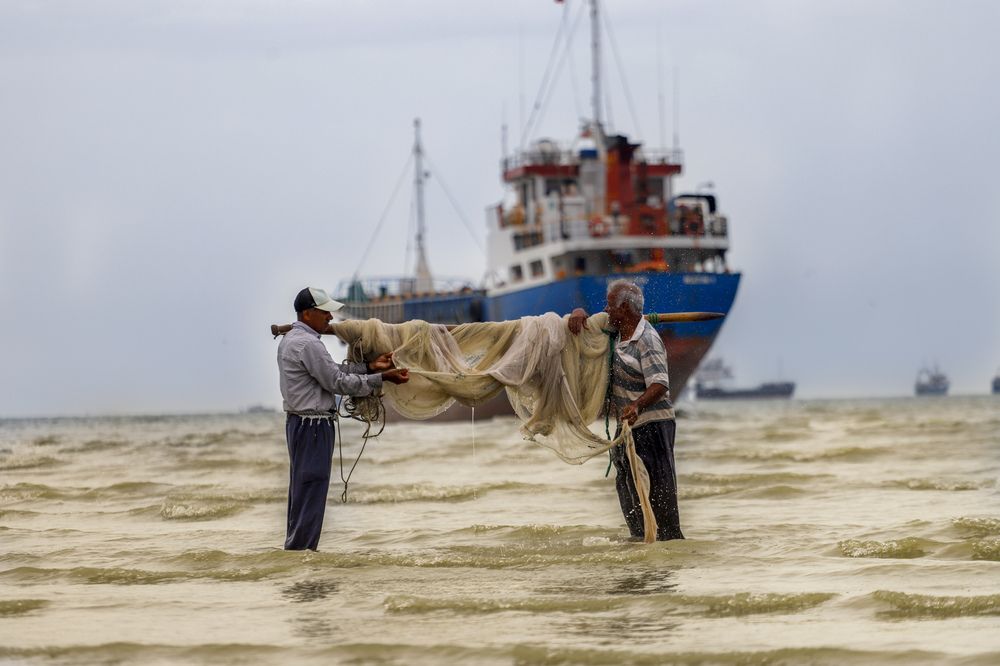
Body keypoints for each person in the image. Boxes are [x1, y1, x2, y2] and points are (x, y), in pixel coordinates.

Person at [277, 286, 409, 551]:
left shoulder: (292, 340)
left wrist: (370, 367)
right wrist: (382, 378)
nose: (330, 318)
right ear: (307, 313)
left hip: (300, 424)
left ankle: (296, 557)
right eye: (324, 312)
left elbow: (330, 371)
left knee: (302, 492)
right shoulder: (308, 343)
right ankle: (303, 556)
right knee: (313, 490)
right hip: (313, 427)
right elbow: (337, 381)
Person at [568, 279, 684, 541]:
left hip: (653, 425)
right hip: (628, 427)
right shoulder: (614, 332)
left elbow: (660, 384)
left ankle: (668, 546)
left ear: (625, 309)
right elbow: (587, 322)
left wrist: (636, 405)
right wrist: (577, 313)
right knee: (629, 490)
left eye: (610, 306)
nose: (606, 310)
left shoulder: (647, 339)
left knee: (659, 492)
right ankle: (640, 542)